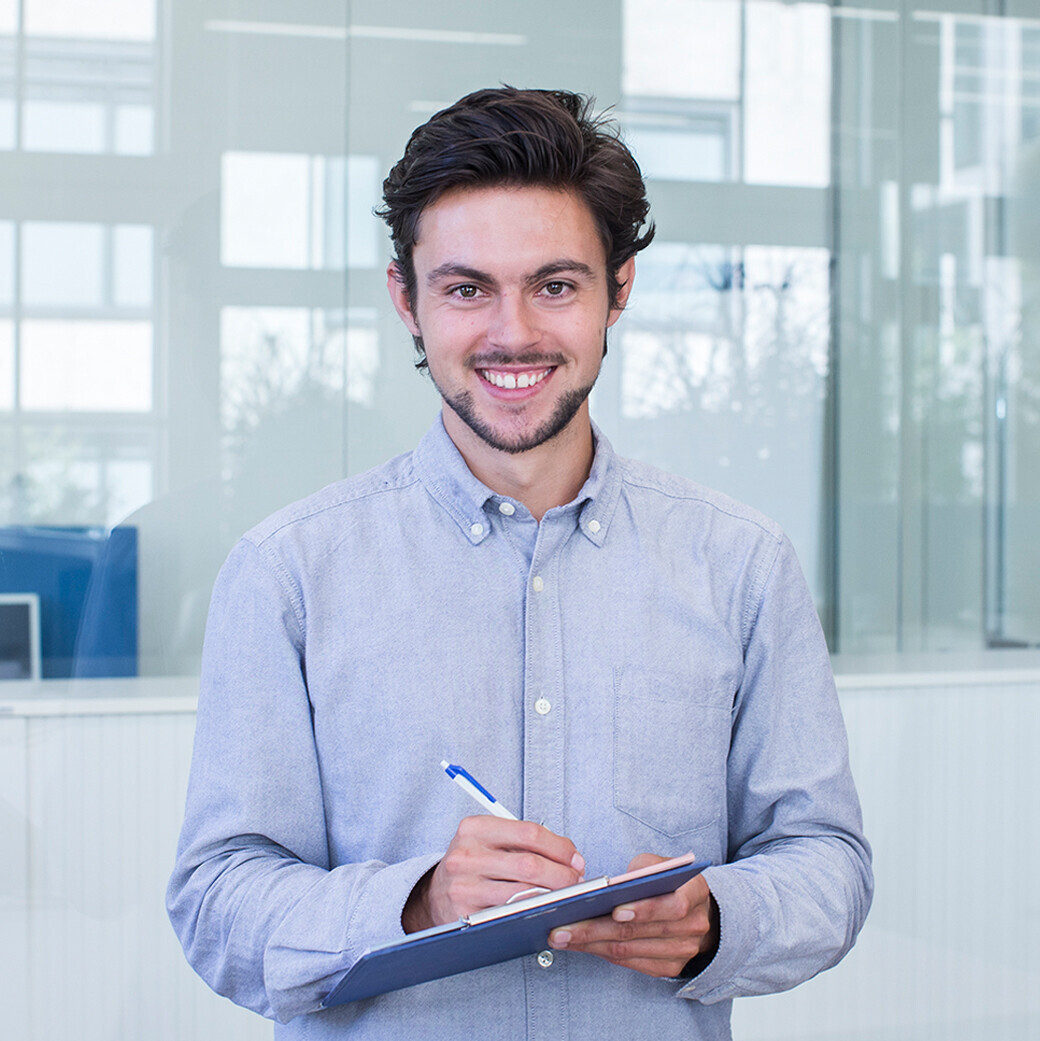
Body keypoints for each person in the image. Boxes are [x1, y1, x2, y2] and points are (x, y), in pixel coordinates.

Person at [167, 87, 872, 1040]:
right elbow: (216, 904)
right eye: (466, 288)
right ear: (404, 298)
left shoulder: (741, 564)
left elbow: (826, 861)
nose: (513, 334)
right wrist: (416, 903)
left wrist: (717, 920)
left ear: (618, 289)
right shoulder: (287, 573)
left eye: (555, 284)